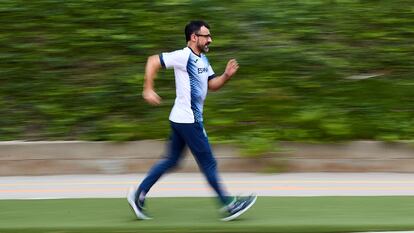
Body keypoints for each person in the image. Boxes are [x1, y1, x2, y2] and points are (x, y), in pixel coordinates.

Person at [128, 20, 256, 221]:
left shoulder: (203, 59)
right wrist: (148, 88)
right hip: (189, 121)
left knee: (172, 160)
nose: (210, 40)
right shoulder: (183, 56)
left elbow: (212, 85)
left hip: (179, 118)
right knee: (208, 163)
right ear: (194, 37)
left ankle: (138, 195)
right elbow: (153, 60)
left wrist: (226, 76)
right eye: (206, 36)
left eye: (210, 36)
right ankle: (229, 205)